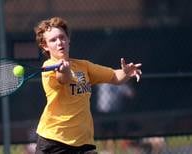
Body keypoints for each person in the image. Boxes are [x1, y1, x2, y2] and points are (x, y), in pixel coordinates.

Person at [34, 17, 142, 154]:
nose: (59, 42)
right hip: (54, 141)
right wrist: (64, 70)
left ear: (68, 40)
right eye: (53, 40)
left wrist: (126, 72)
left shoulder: (83, 66)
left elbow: (114, 76)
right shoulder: (48, 67)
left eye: (62, 37)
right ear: (45, 46)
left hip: (83, 142)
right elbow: (63, 79)